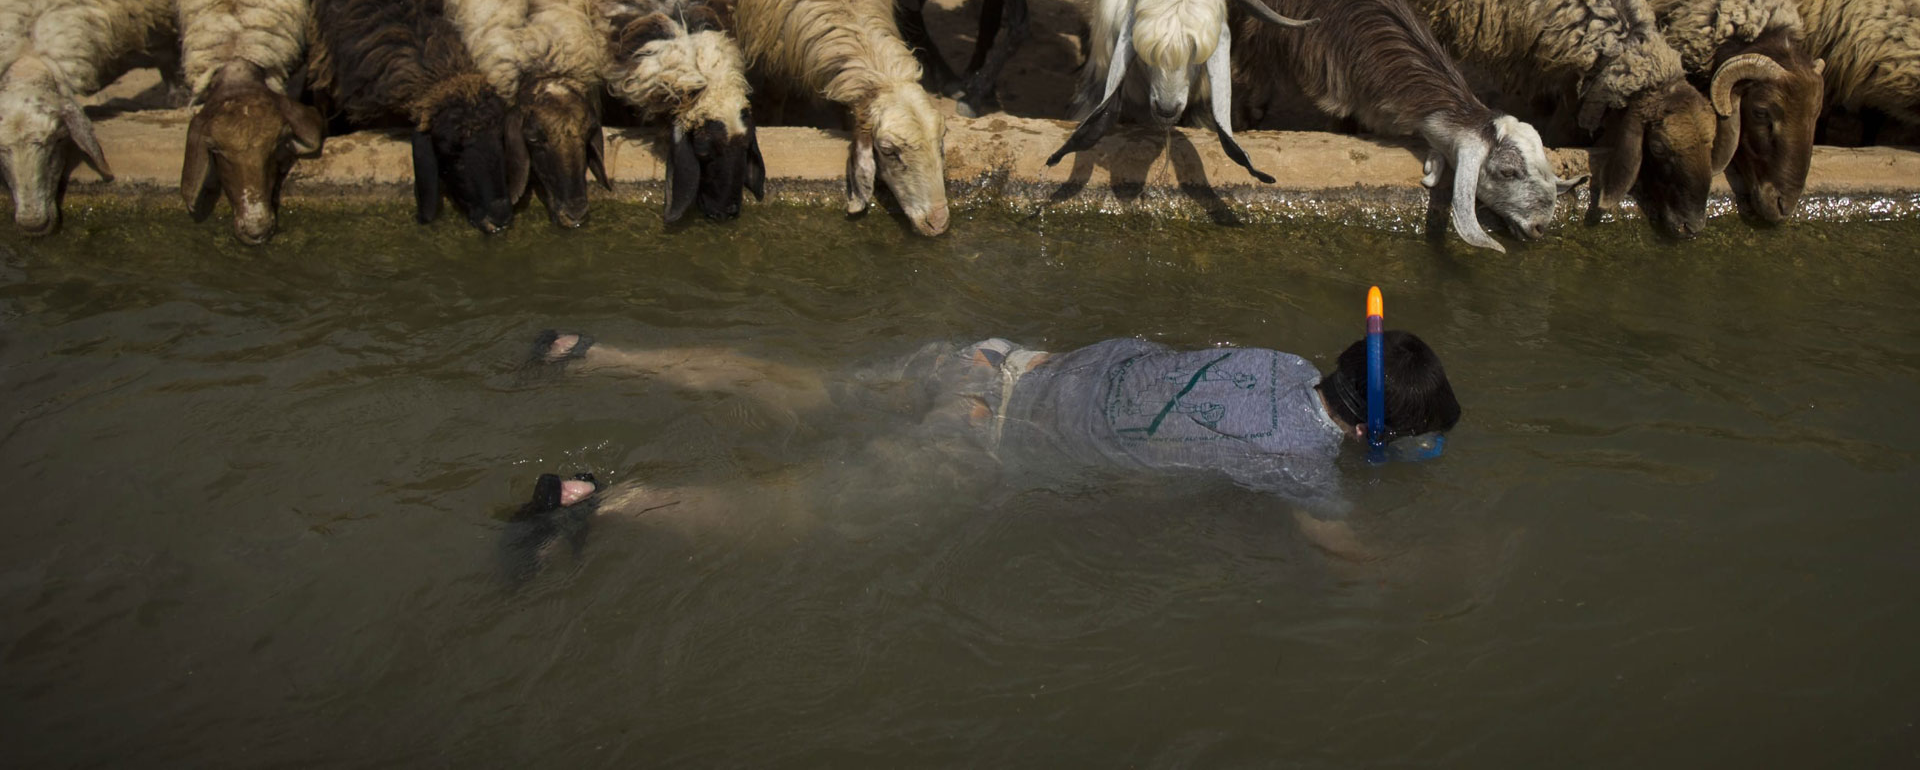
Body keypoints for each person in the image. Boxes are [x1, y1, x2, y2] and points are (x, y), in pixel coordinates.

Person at [509, 326, 1462, 564]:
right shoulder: (1302, 463)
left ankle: (588, 355)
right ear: (1378, 433)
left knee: (804, 391)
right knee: (794, 512)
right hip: (979, 447)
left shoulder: (1277, 357)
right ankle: (607, 502)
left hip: (986, 362)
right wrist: (1448, 569)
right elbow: (1346, 560)